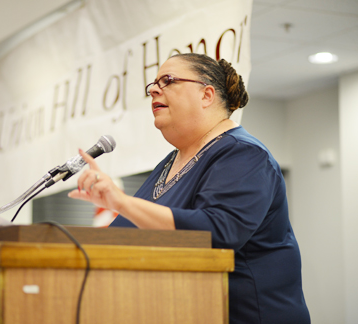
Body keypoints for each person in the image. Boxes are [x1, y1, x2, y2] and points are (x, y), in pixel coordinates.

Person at [68, 53, 310, 323]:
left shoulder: (244, 154)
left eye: (168, 80)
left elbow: (217, 233)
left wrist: (122, 202)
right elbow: (128, 235)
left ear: (207, 95)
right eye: (153, 85)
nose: (154, 90)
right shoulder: (170, 162)